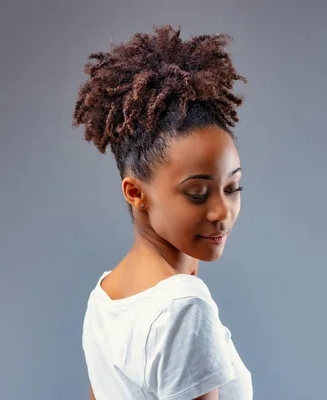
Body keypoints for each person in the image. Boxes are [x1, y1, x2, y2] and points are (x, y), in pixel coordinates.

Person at [73, 24, 253, 400]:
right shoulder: (183, 305)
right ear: (136, 192)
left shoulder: (105, 296)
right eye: (197, 193)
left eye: (233, 187)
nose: (222, 211)